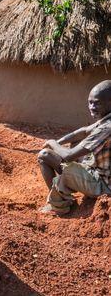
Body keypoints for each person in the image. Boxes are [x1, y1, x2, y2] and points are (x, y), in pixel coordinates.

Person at [37, 80, 111, 215]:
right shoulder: (106, 120)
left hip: (104, 185)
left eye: (97, 103)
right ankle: (65, 189)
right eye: (90, 102)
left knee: (45, 155)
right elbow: (83, 132)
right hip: (102, 173)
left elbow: (69, 155)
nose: (92, 107)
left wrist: (53, 143)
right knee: (76, 143)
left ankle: (58, 205)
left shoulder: (107, 128)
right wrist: (59, 141)